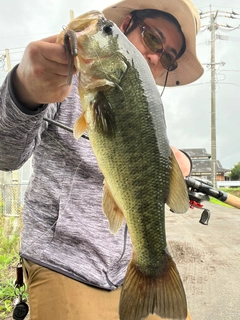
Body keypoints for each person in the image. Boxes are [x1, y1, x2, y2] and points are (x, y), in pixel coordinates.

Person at [0, 0, 203, 319]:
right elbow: (5, 153)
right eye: (153, 39)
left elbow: (161, 157)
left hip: (130, 270)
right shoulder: (59, 82)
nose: (155, 56)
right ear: (126, 27)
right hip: (64, 264)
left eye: (167, 58)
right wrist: (23, 90)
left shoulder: (149, 112)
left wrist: (183, 161)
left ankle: (152, 266)